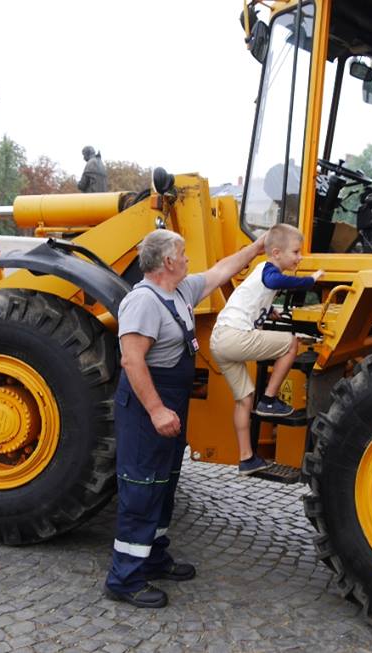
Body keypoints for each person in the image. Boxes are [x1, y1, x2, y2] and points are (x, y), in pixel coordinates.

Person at [104, 228, 266, 609]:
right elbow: (132, 361)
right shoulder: (143, 302)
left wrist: (257, 247)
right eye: (183, 253)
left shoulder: (180, 291)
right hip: (147, 410)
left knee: (163, 484)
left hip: (171, 406)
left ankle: (153, 557)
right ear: (168, 261)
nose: (189, 259)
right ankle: (124, 578)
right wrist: (156, 410)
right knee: (141, 487)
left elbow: (221, 271)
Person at [209, 223, 323, 475]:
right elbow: (274, 281)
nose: (300, 257)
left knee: (244, 399)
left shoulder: (260, 272)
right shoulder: (268, 270)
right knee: (290, 343)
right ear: (276, 253)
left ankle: (247, 458)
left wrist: (267, 311)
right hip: (234, 336)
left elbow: (253, 298)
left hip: (220, 340)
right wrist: (310, 280)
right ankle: (269, 400)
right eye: (296, 252)